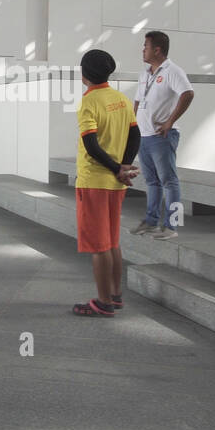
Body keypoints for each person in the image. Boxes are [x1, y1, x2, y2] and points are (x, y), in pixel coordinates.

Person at [72, 49, 140, 317]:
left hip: (94, 182)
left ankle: (103, 302)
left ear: (84, 74)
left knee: (99, 246)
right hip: (115, 185)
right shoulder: (120, 98)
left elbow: (91, 145)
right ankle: (115, 295)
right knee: (112, 241)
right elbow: (135, 136)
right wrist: (123, 167)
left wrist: (115, 168)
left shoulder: (89, 102)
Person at [130, 30, 194, 240]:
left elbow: (187, 94)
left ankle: (172, 226)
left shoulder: (172, 71)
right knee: (152, 181)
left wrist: (170, 122)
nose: (143, 50)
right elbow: (138, 101)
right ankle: (151, 221)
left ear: (157, 50)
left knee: (170, 181)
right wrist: (133, 125)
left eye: (146, 46)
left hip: (161, 136)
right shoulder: (145, 74)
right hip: (144, 135)